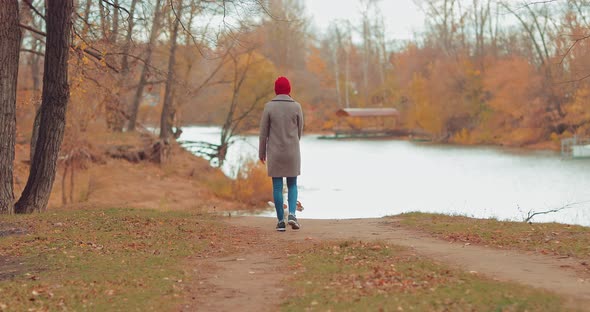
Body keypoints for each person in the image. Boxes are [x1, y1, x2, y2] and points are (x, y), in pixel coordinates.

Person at [259, 76, 304, 231]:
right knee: (292, 184)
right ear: (289, 90)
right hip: (292, 151)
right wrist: (292, 143)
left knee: (277, 186)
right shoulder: (297, 106)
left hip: (275, 152)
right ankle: (292, 214)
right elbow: (300, 131)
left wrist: (262, 152)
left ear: (276, 90)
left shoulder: (269, 107)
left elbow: (263, 133)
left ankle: (280, 222)